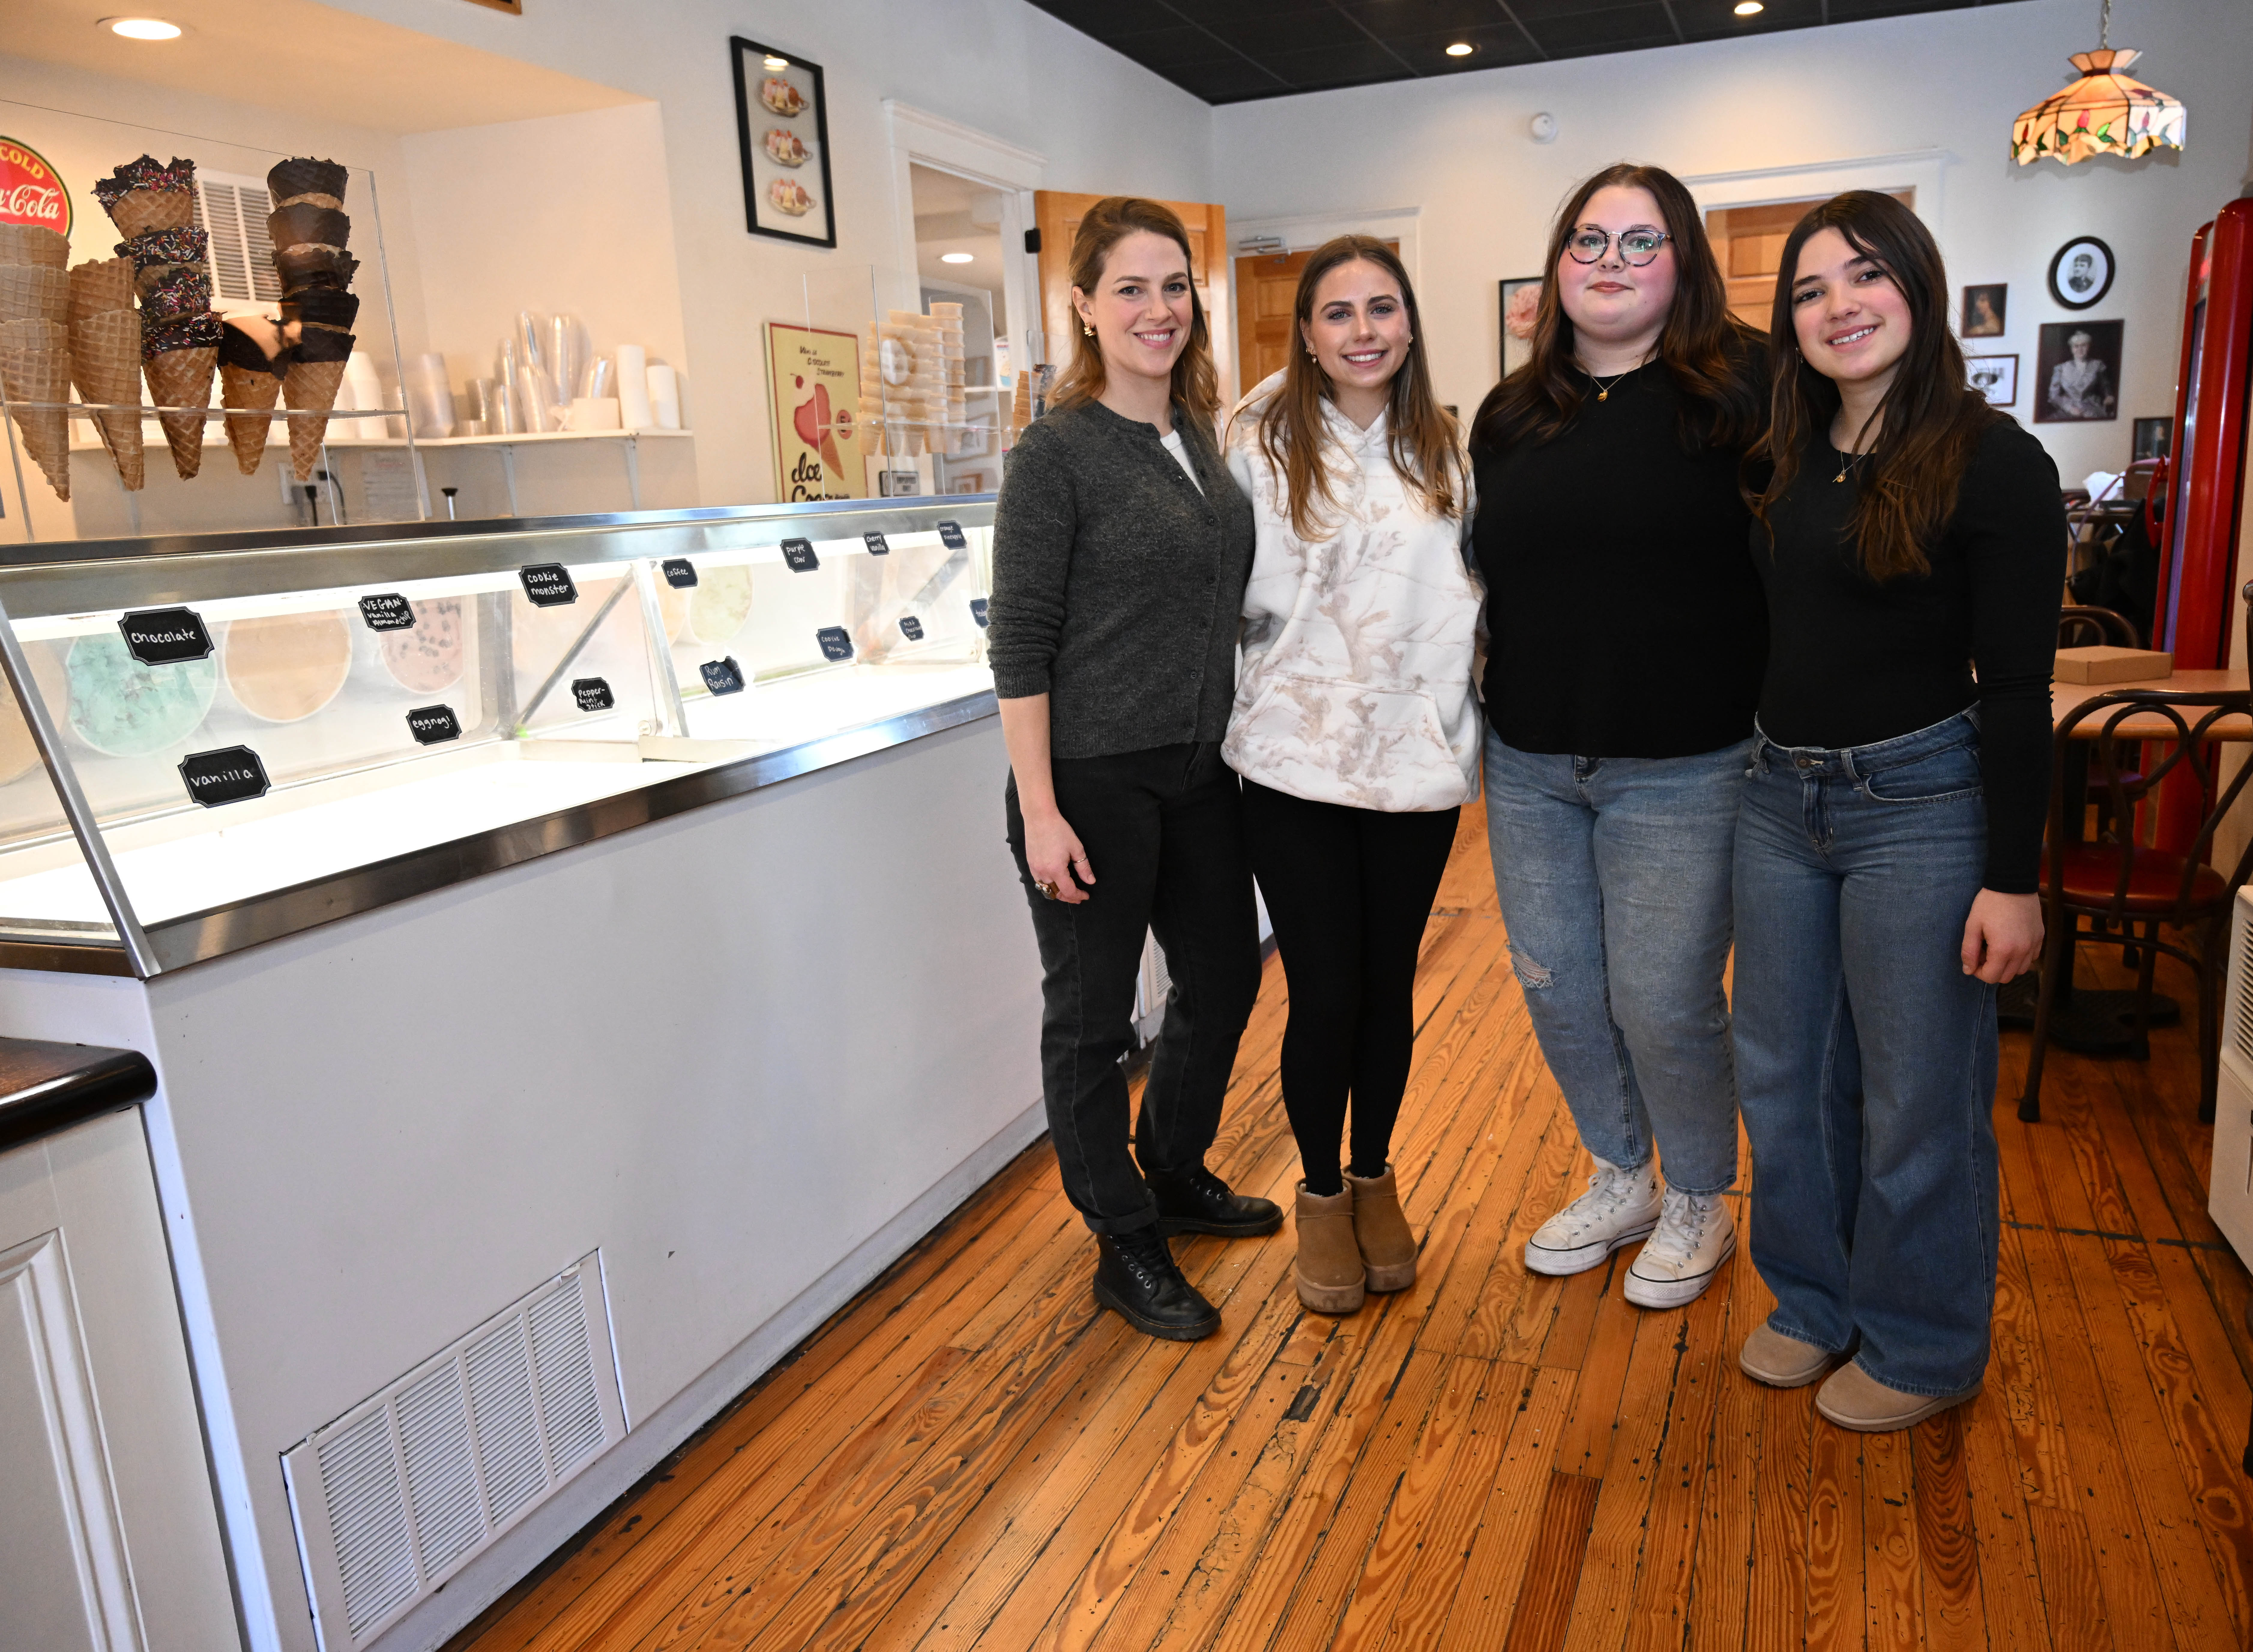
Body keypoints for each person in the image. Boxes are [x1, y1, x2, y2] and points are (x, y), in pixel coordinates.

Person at [1733, 191, 2061, 1431]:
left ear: (1916, 291)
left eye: (1863, 276)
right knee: (1783, 1075)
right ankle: (1815, 1301)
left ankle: (1923, 1342)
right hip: (1776, 799)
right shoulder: (1785, 455)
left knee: (1913, 1089)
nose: (1836, 306)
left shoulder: (1995, 460)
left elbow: (2020, 690)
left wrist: (2012, 875)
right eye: (1809, 290)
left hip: (1919, 804)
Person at [1470, 163, 1768, 1310]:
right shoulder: (1511, 416)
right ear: (1557, 265)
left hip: (1687, 767)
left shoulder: (1743, 396)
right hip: (1534, 760)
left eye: (1640, 243)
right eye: (1588, 241)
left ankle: (1699, 1191)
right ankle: (1622, 1173)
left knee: (1663, 997)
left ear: (1681, 262)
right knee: (1556, 984)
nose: (1610, 263)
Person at [986, 197, 1278, 1345]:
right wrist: (1043, 811)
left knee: (1223, 980)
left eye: (1174, 287)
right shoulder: (1056, 452)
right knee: (1093, 1019)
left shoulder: (1199, 438)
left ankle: (1170, 1169)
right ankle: (1122, 1235)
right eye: (1131, 290)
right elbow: (1018, 641)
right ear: (1084, 308)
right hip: (1092, 783)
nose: (1158, 310)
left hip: (1202, 771)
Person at [1223, 236, 1479, 1315]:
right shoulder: (1260, 441)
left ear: (1411, 323)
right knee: (1323, 990)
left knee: (1387, 990)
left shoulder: (1450, 451)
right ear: (1308, 333)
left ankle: (1375, 1175)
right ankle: (1320, 1194)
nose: (1363, 329)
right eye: (1338, 312)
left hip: (1415, 762)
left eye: (1382, 308)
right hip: (1291, 759)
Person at [2045, 329, 2115, 421]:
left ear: (2089, 347)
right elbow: (2054, 396)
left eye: (2084, 346)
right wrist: (2070, 408)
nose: (2080, 350)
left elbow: (2106, 386)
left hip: (2092, 408)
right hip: (2068, 409)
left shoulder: (2097, 365)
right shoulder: (2061, 368)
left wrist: (2109, 396)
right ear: (2072, 349)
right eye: (2076, 346)